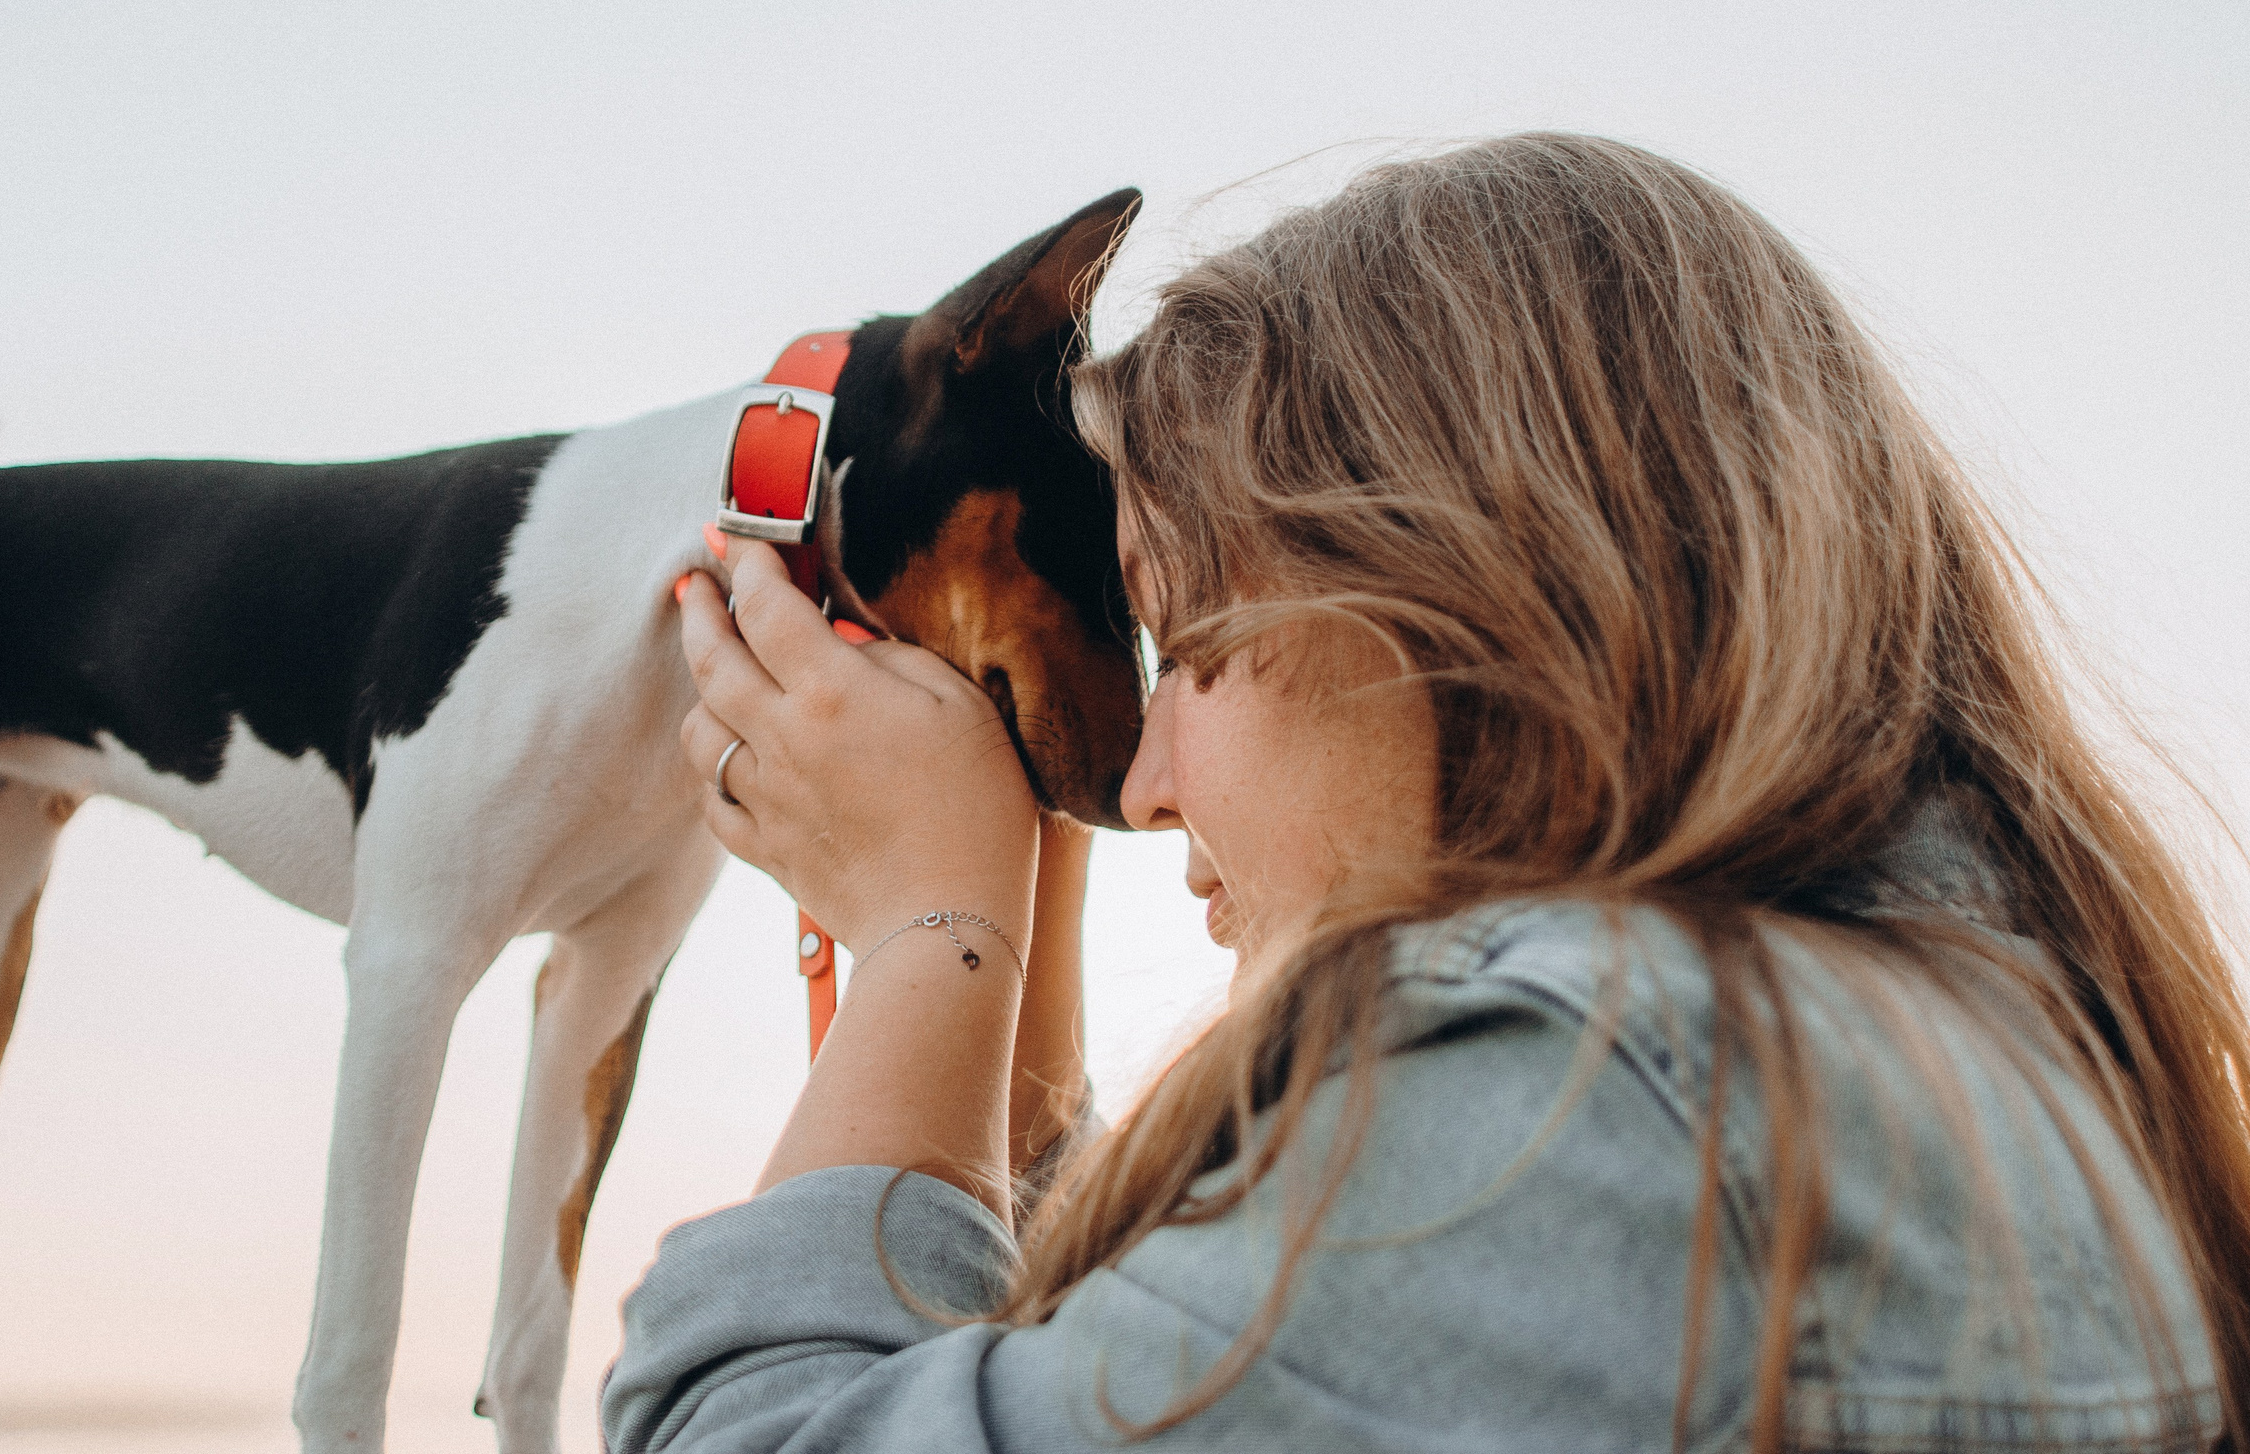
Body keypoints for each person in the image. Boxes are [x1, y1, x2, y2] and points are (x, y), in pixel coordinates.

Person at [610, 134, 2249, 1451]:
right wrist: (1007, 883)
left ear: (1473, 602)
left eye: (1194, 642)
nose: (1146, 780)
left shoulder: (1598, 1105)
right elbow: (1167, 1355)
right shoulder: (1957, 1055)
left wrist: (927, 933)